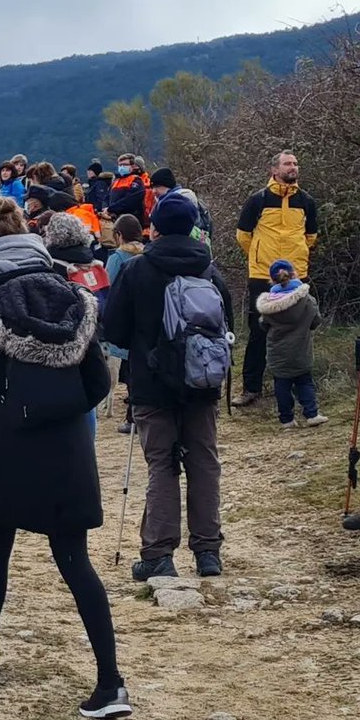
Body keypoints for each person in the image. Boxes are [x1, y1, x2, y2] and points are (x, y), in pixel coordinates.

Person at [0, 196, 128, 720]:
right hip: (68, 444)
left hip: (6, 443)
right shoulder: (72, 298)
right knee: (75, 560)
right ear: (33, 239)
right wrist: (63, 414)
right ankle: (110, 683)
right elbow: (98, 380)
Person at [103, 191, 233, 581]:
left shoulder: (138, 270)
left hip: (152, 386)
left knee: (162, 465)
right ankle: (208, 552)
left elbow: (115, 329)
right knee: (204, 463)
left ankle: (159, 555)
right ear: (193, 226)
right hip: (202, 383)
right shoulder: (209, 270)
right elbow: (228, 328)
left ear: (154, 227)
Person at [235, 151, 318, 407]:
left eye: (295, 163)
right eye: (287, 163)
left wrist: (296, 259)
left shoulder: (306, 201)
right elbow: (243, 234)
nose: (293, 167)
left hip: (296, 277)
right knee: (259, 331)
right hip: (262, 276)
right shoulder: (257, 200)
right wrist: (261, 258)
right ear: (274, 169)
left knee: (299, 330)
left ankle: (298, 389)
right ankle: (251, 388)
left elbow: (311, 236)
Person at [257, 259, 326, 431]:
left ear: (272, 279)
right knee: (305, 382)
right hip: (301, 349)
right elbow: (316, 320)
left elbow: (263, 325)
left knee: (282, 385)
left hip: (277, 352)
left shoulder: (268, 304)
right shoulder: (307, 300)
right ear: (294, 273)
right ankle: (311, 414)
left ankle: (286, 420)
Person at [105, 214, 145, 432]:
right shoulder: (148, 254)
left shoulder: (117, 258)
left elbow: (109, 287)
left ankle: (132, 418)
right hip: (146, 316)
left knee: (129, 372)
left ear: (119, 235)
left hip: (125, 318)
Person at [105, 153, 152, 229]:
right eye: (120, 165)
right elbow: (107, 197)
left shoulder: (136, 181)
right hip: (114, 220)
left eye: (124, 165)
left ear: (132, 166)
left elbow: (130, 200)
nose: (121, 167)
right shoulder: (116, 181)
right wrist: (105, 208)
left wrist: (111, 209)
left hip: (131, 221)